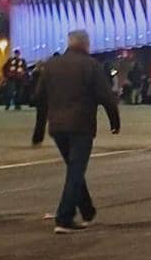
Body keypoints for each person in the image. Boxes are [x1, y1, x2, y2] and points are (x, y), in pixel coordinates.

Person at [32, 30, 121, 234]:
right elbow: (106, 97)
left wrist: (38, 132)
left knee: (74, 169)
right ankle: (64, 217)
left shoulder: (51, 66)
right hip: (81, 125)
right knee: (76, 171)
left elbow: (40, 99)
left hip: (57, 127)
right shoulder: (91, 66)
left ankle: (87, 210)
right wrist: (114, 121)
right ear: (86, 44)